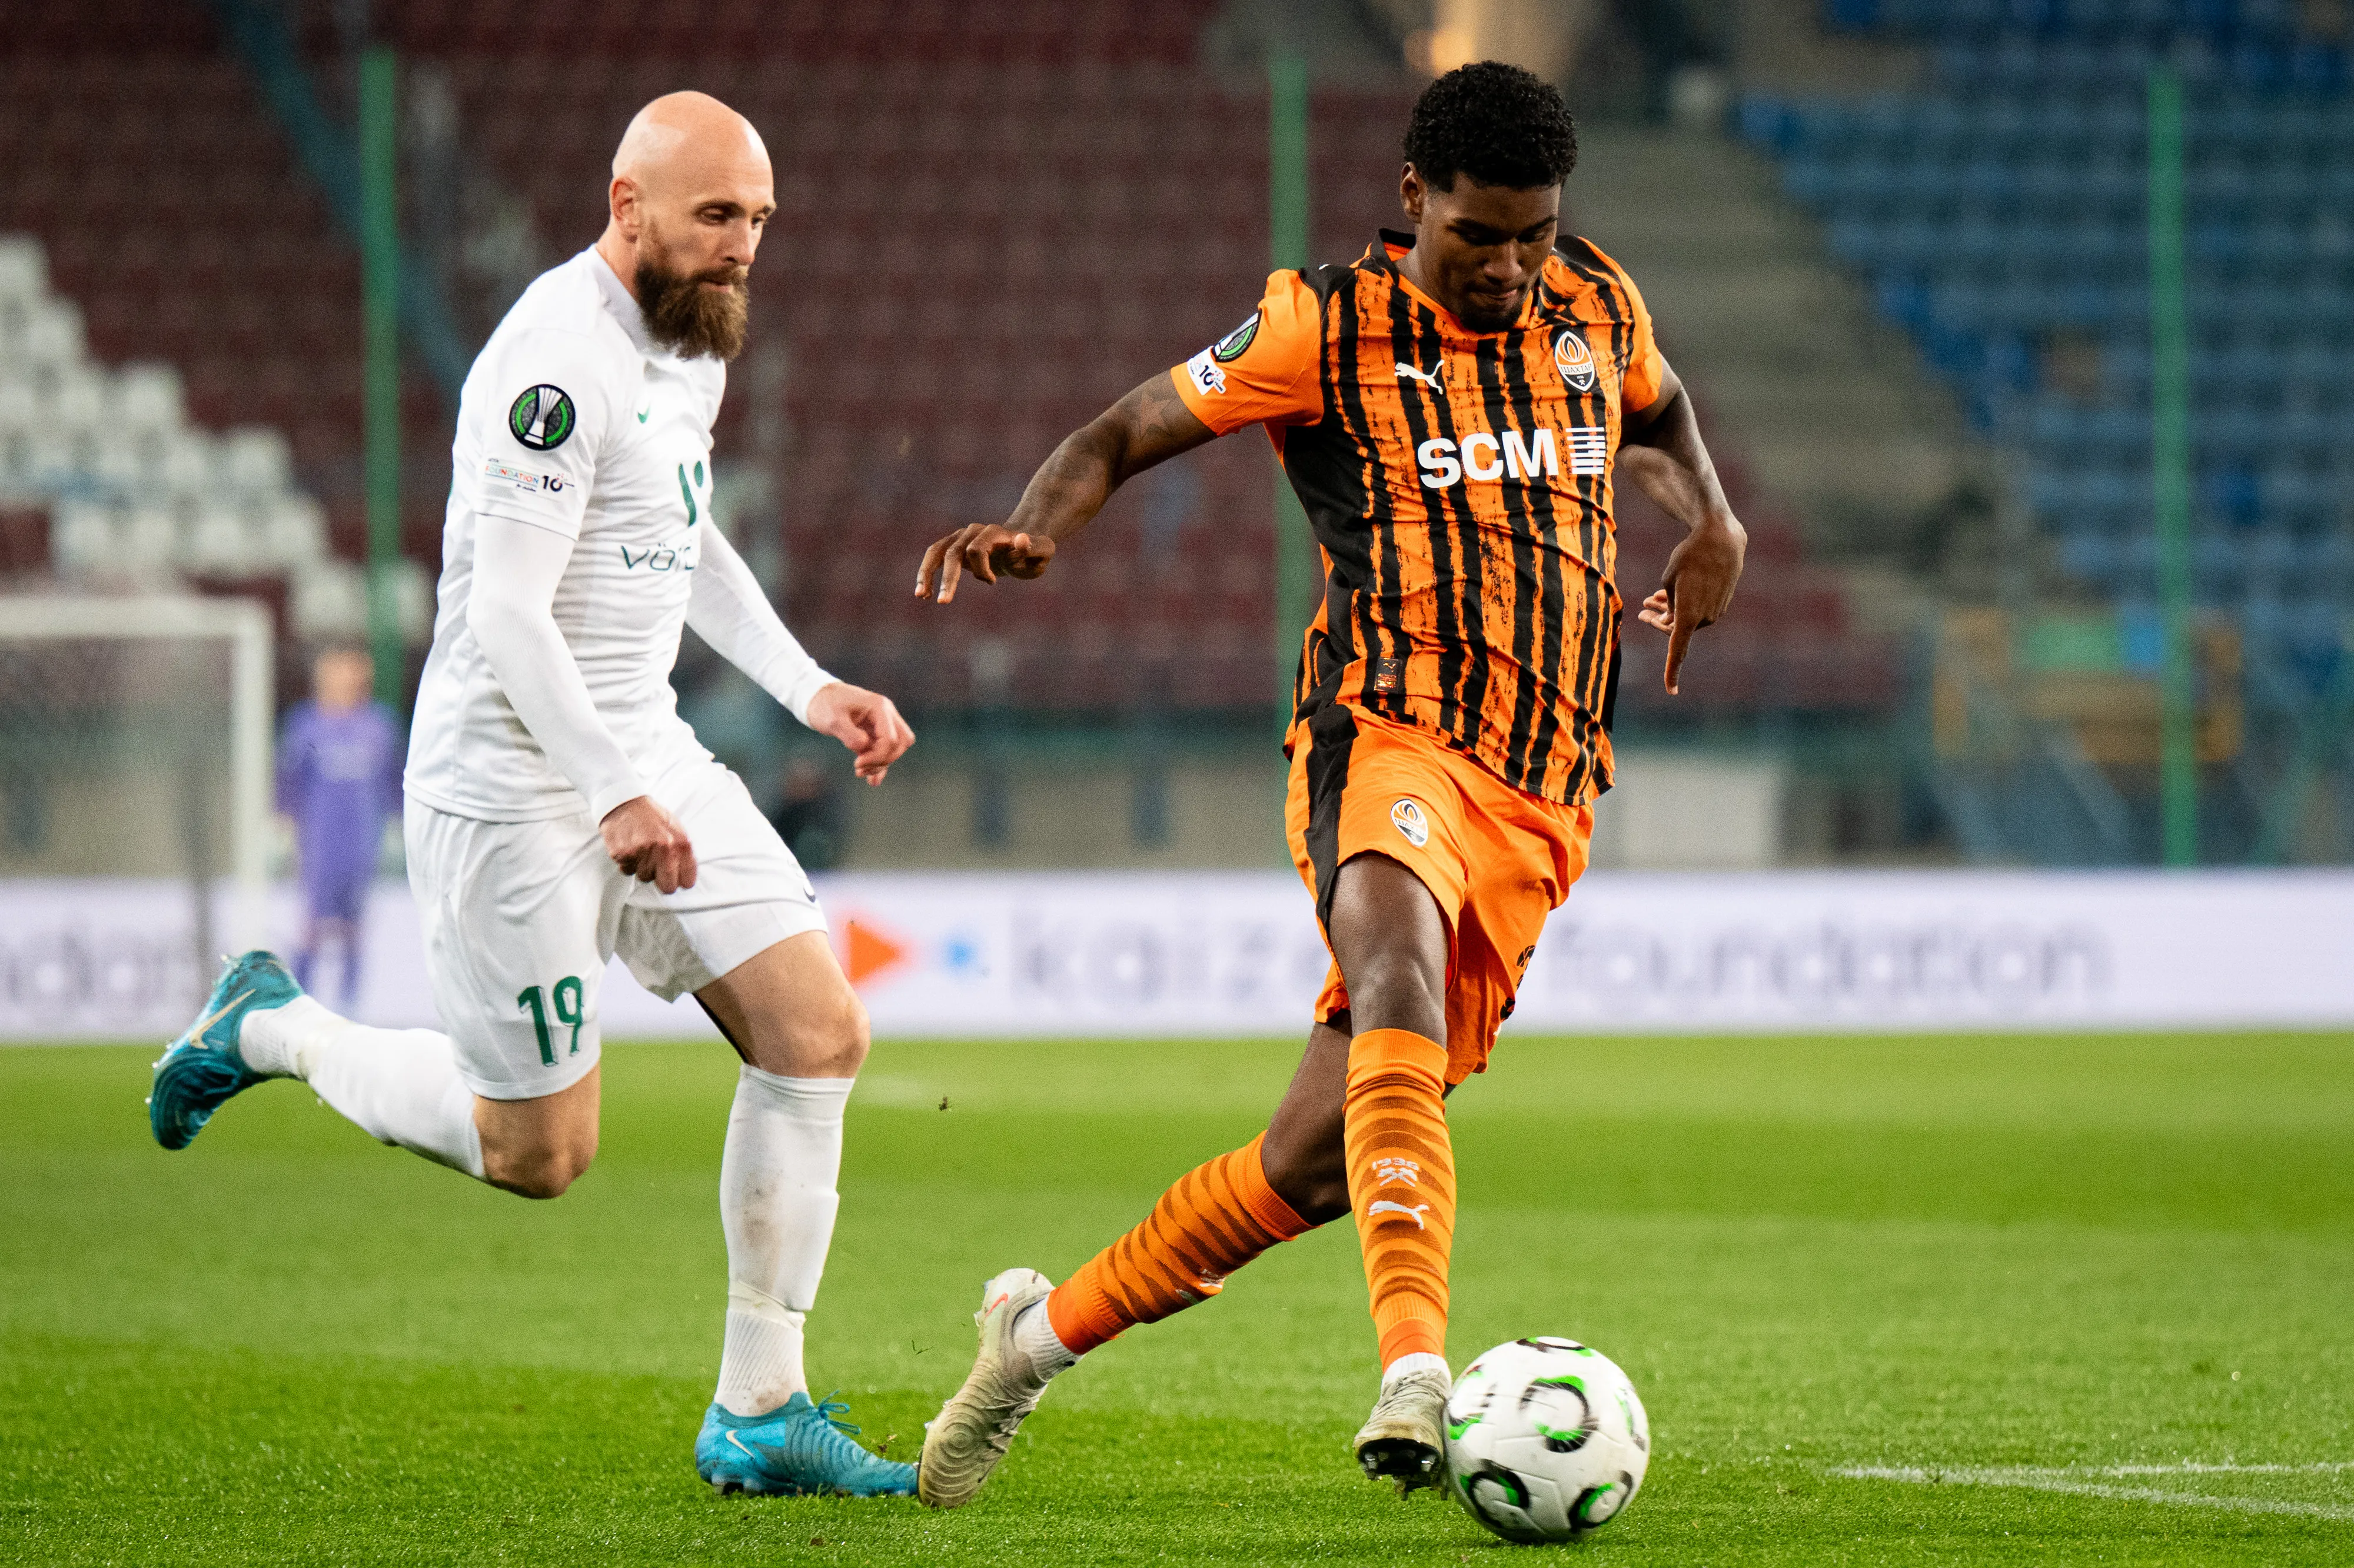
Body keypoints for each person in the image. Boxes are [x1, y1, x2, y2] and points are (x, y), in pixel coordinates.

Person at [907, 62, 1745, 1507]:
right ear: (1413, 198)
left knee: (1308, 1165)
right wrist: (1040, 525)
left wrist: (1714, 521)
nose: (1505, 267)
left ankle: (1026, 1343)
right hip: (1385, 729)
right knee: (1396, 977)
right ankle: (1416, 1368)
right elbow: (1119, 430)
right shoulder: (1319, 323)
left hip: (1543, 786)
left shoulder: (1596, 303)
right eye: (1477, 236)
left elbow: (1659, 418)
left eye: (1531, 235)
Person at [148, 92, 919, 1499]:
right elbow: (505, 608)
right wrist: (612, 790)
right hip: (509, 774)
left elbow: (680, 539)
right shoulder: (548, 363)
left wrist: (809, 686)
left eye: (756, 221)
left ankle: (761, 1404)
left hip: (640, 744)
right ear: (627, 206)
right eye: (715, 217)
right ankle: (274, 1024)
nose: (742, 246)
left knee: (816, 1027)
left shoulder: (693, 340)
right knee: (539, 1153)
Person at [275, 645, 405, 1006]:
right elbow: (288, 780)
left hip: (363, 840)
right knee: (311, 927)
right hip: (318, 842)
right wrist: (282, 824)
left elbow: (395, 780)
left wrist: (398, 823)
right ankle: (300, 1003)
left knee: (354, 930)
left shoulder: (380, 725)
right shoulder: (305, 724)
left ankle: (350, 1009)